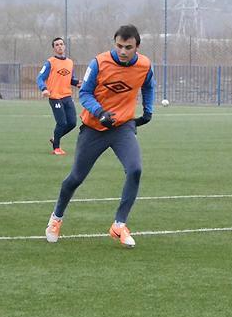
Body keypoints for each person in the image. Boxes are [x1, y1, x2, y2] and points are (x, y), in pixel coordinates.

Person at [45, 25, 155, 248]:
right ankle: (56, 218)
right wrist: (100, 112)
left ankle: (119, 225)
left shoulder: (145, 65)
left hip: (122, 127)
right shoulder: (99, 62)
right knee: (75, 178)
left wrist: (148, 111)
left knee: (135, 170)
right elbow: (85, 93)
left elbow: (148, 86)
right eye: (119, 46)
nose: (123, 51)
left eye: (128, 47)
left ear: (137, 46)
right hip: (94, 127)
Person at [36, 37, 81, 155]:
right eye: (57, 45)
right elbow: (40, 78)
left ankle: (55, 138)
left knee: (72, 123)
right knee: (62, 123)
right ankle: (56, 148)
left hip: (67, 96)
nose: (60, 46)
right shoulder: (50, 62)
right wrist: (44, 89)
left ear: (64, 46)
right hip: (55, 97)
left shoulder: (70, 62)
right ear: (54, 48)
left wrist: (78, 83)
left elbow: (70, 79)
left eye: (61, 44)